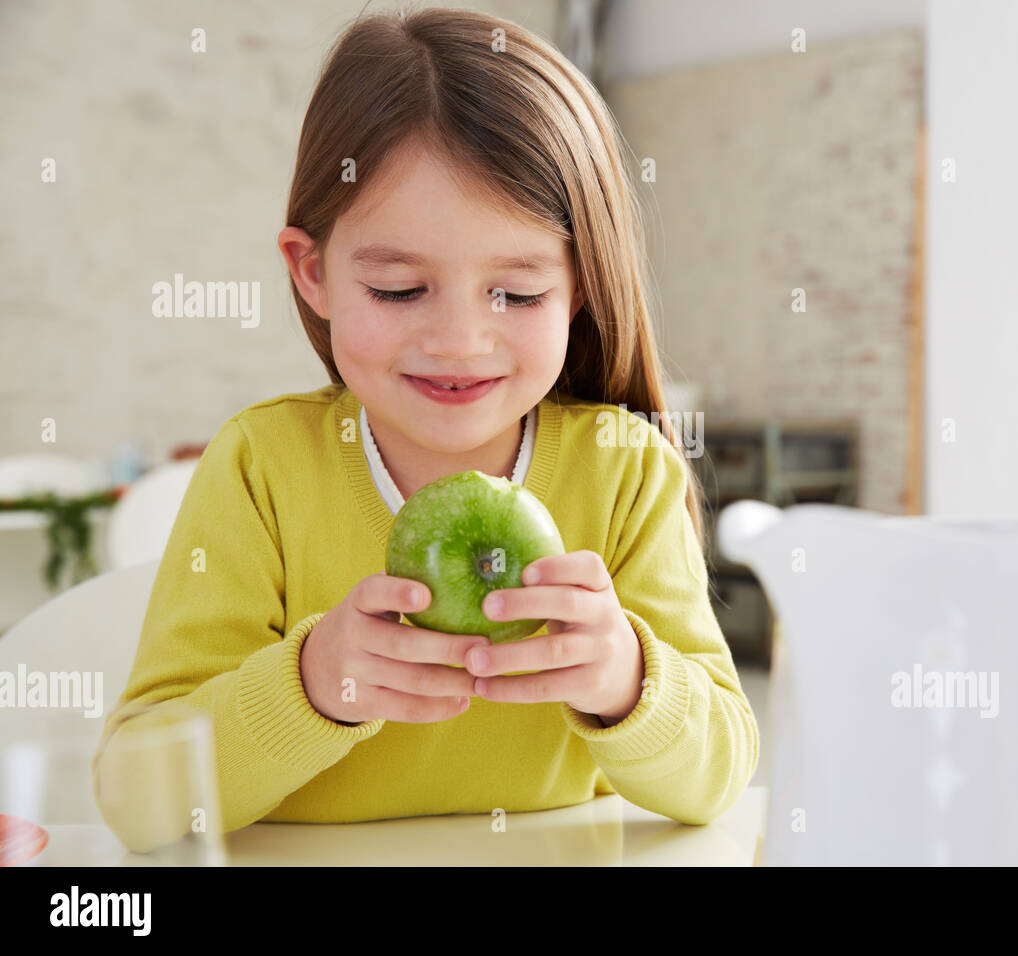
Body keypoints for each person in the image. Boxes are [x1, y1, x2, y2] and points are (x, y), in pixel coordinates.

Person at [93, 6, 758, 853]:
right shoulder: (261, 468)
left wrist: (628, 680)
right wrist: (308, 685)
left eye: (516, 295)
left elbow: (719, 779)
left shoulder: (625, 471)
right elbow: (137, 799)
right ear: (313, 274)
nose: (458, 341)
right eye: (401, 289)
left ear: (580, 285)